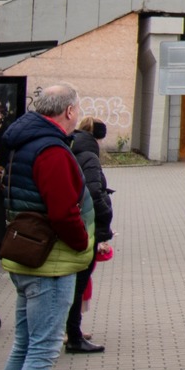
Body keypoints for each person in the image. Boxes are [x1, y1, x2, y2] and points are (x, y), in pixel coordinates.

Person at [0, 82, 96, 370]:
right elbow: (62, 211)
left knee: (24, 346)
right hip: (50, 264)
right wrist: (82, 240)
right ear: (69, 111)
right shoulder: (52, 150)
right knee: (41, 351)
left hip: (28, 258)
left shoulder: (25, 142)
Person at [65, 116, 116, 353]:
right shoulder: (90, 157)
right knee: (79, 282)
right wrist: (105, 219)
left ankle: (66, 330)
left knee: (69, 281)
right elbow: (94, 192)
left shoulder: (68, 148)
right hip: (85, 225)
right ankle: (73, 334)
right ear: (97, 138)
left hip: (67, 222)